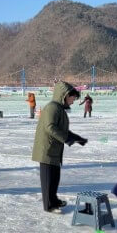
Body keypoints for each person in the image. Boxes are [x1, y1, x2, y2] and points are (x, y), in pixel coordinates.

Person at [32, 82, 88, 213]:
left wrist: (77, 138)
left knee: (55, 178)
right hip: (46, 150)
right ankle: (49, 205)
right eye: (72, 98)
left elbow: (62, 130)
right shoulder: (52, 108)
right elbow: (50, 127)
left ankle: (54, 199)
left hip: (54, 150)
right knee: (48, 180)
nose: (73, 102)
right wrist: (67, 139)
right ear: (64, 95)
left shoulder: (59, 109)